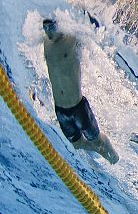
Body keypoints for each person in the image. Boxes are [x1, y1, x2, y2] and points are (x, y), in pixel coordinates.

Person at [42, 18, 119, 163]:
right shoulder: (46, 42)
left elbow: (86, 25)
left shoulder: (70, 37)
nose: (47, 31)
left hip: (79, 108)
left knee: (96, 141)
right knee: (77, 145)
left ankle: (112, 155)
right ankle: (97, 150)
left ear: (58, 25)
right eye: (45, 28)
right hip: (60, 110)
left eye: (50, 27)